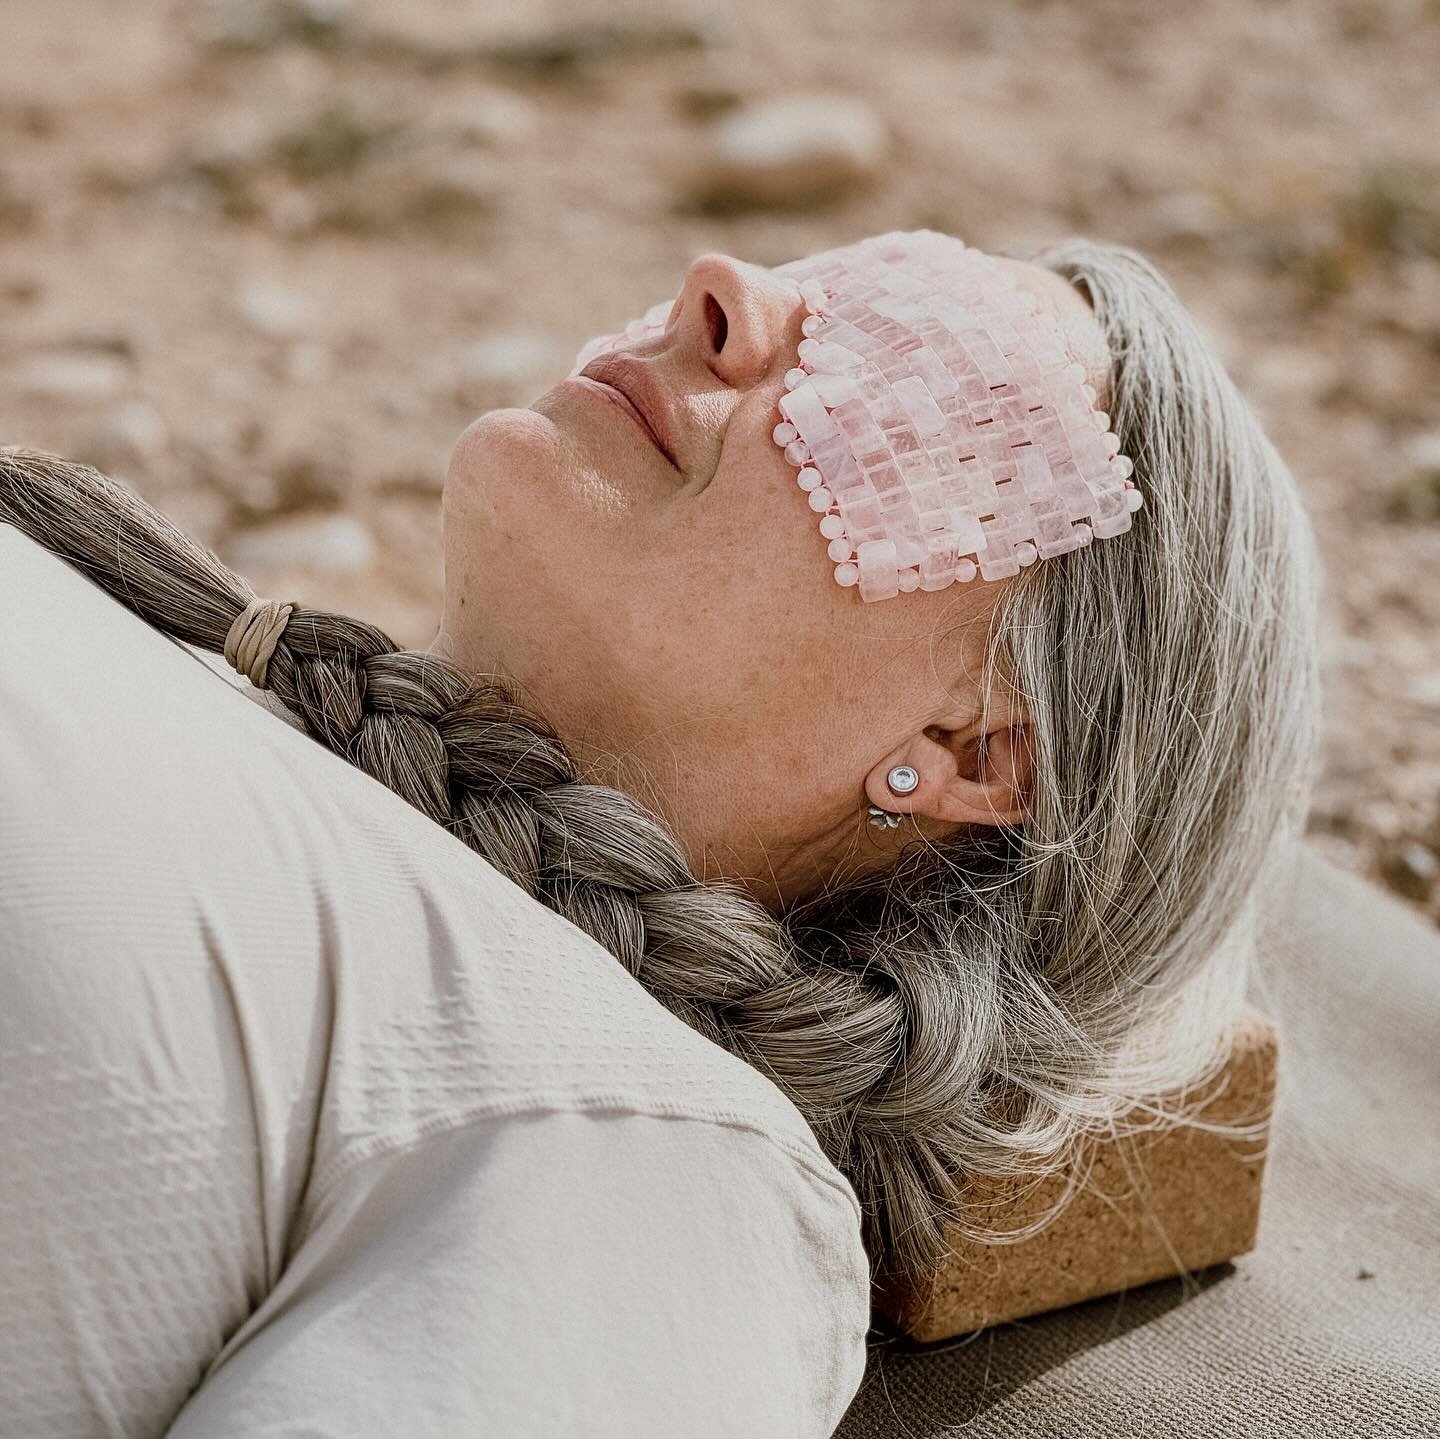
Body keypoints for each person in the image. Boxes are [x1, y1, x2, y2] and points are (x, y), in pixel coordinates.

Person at [0, 229, 1321, 1434]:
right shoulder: (202, 662)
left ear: (974, 751)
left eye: (916, 362)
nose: (722, 286)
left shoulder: (657, 1168)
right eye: (831, 279)